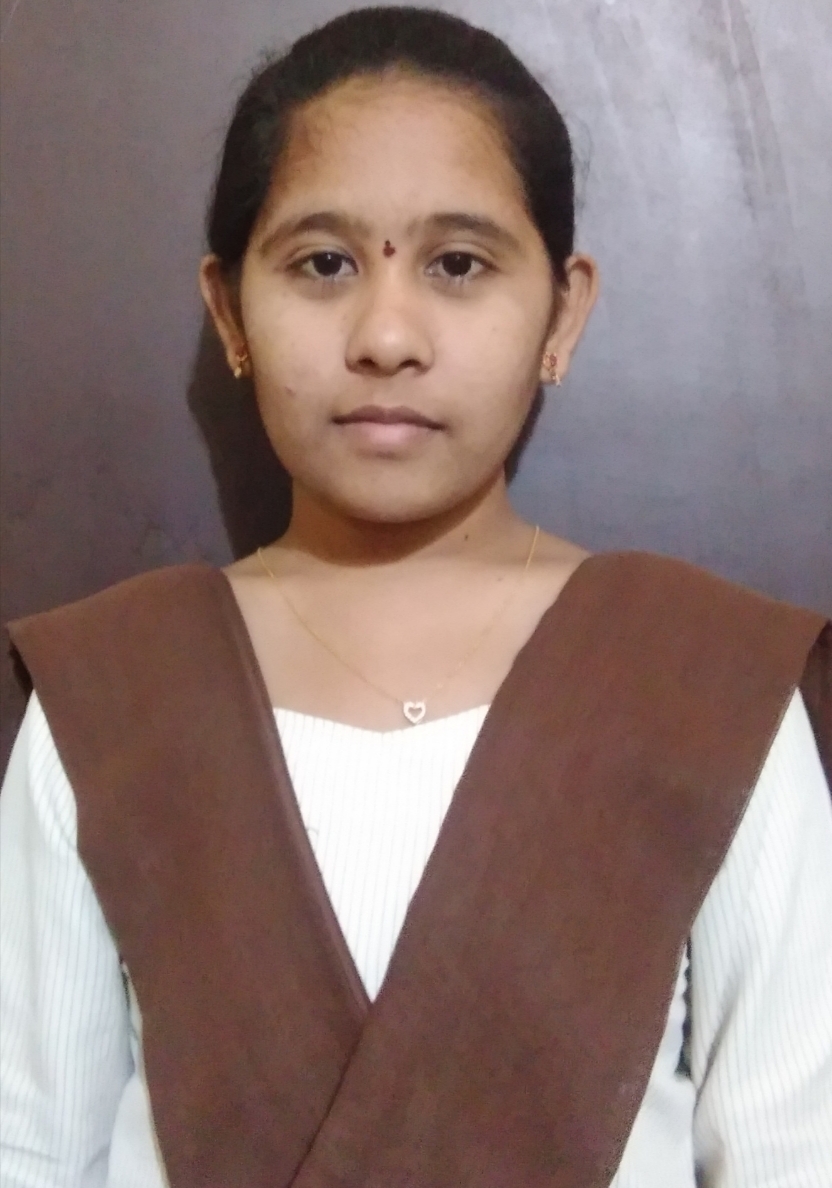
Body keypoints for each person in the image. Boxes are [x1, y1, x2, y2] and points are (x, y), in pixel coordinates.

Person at [1, 7, 830, 1187]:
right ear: (230, 311)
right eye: (322, 263)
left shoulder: (705, 683)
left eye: (458, 265)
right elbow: (28, 1144)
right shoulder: (114, 694)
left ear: (563, 311)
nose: (387, 335)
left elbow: (796, 1149)